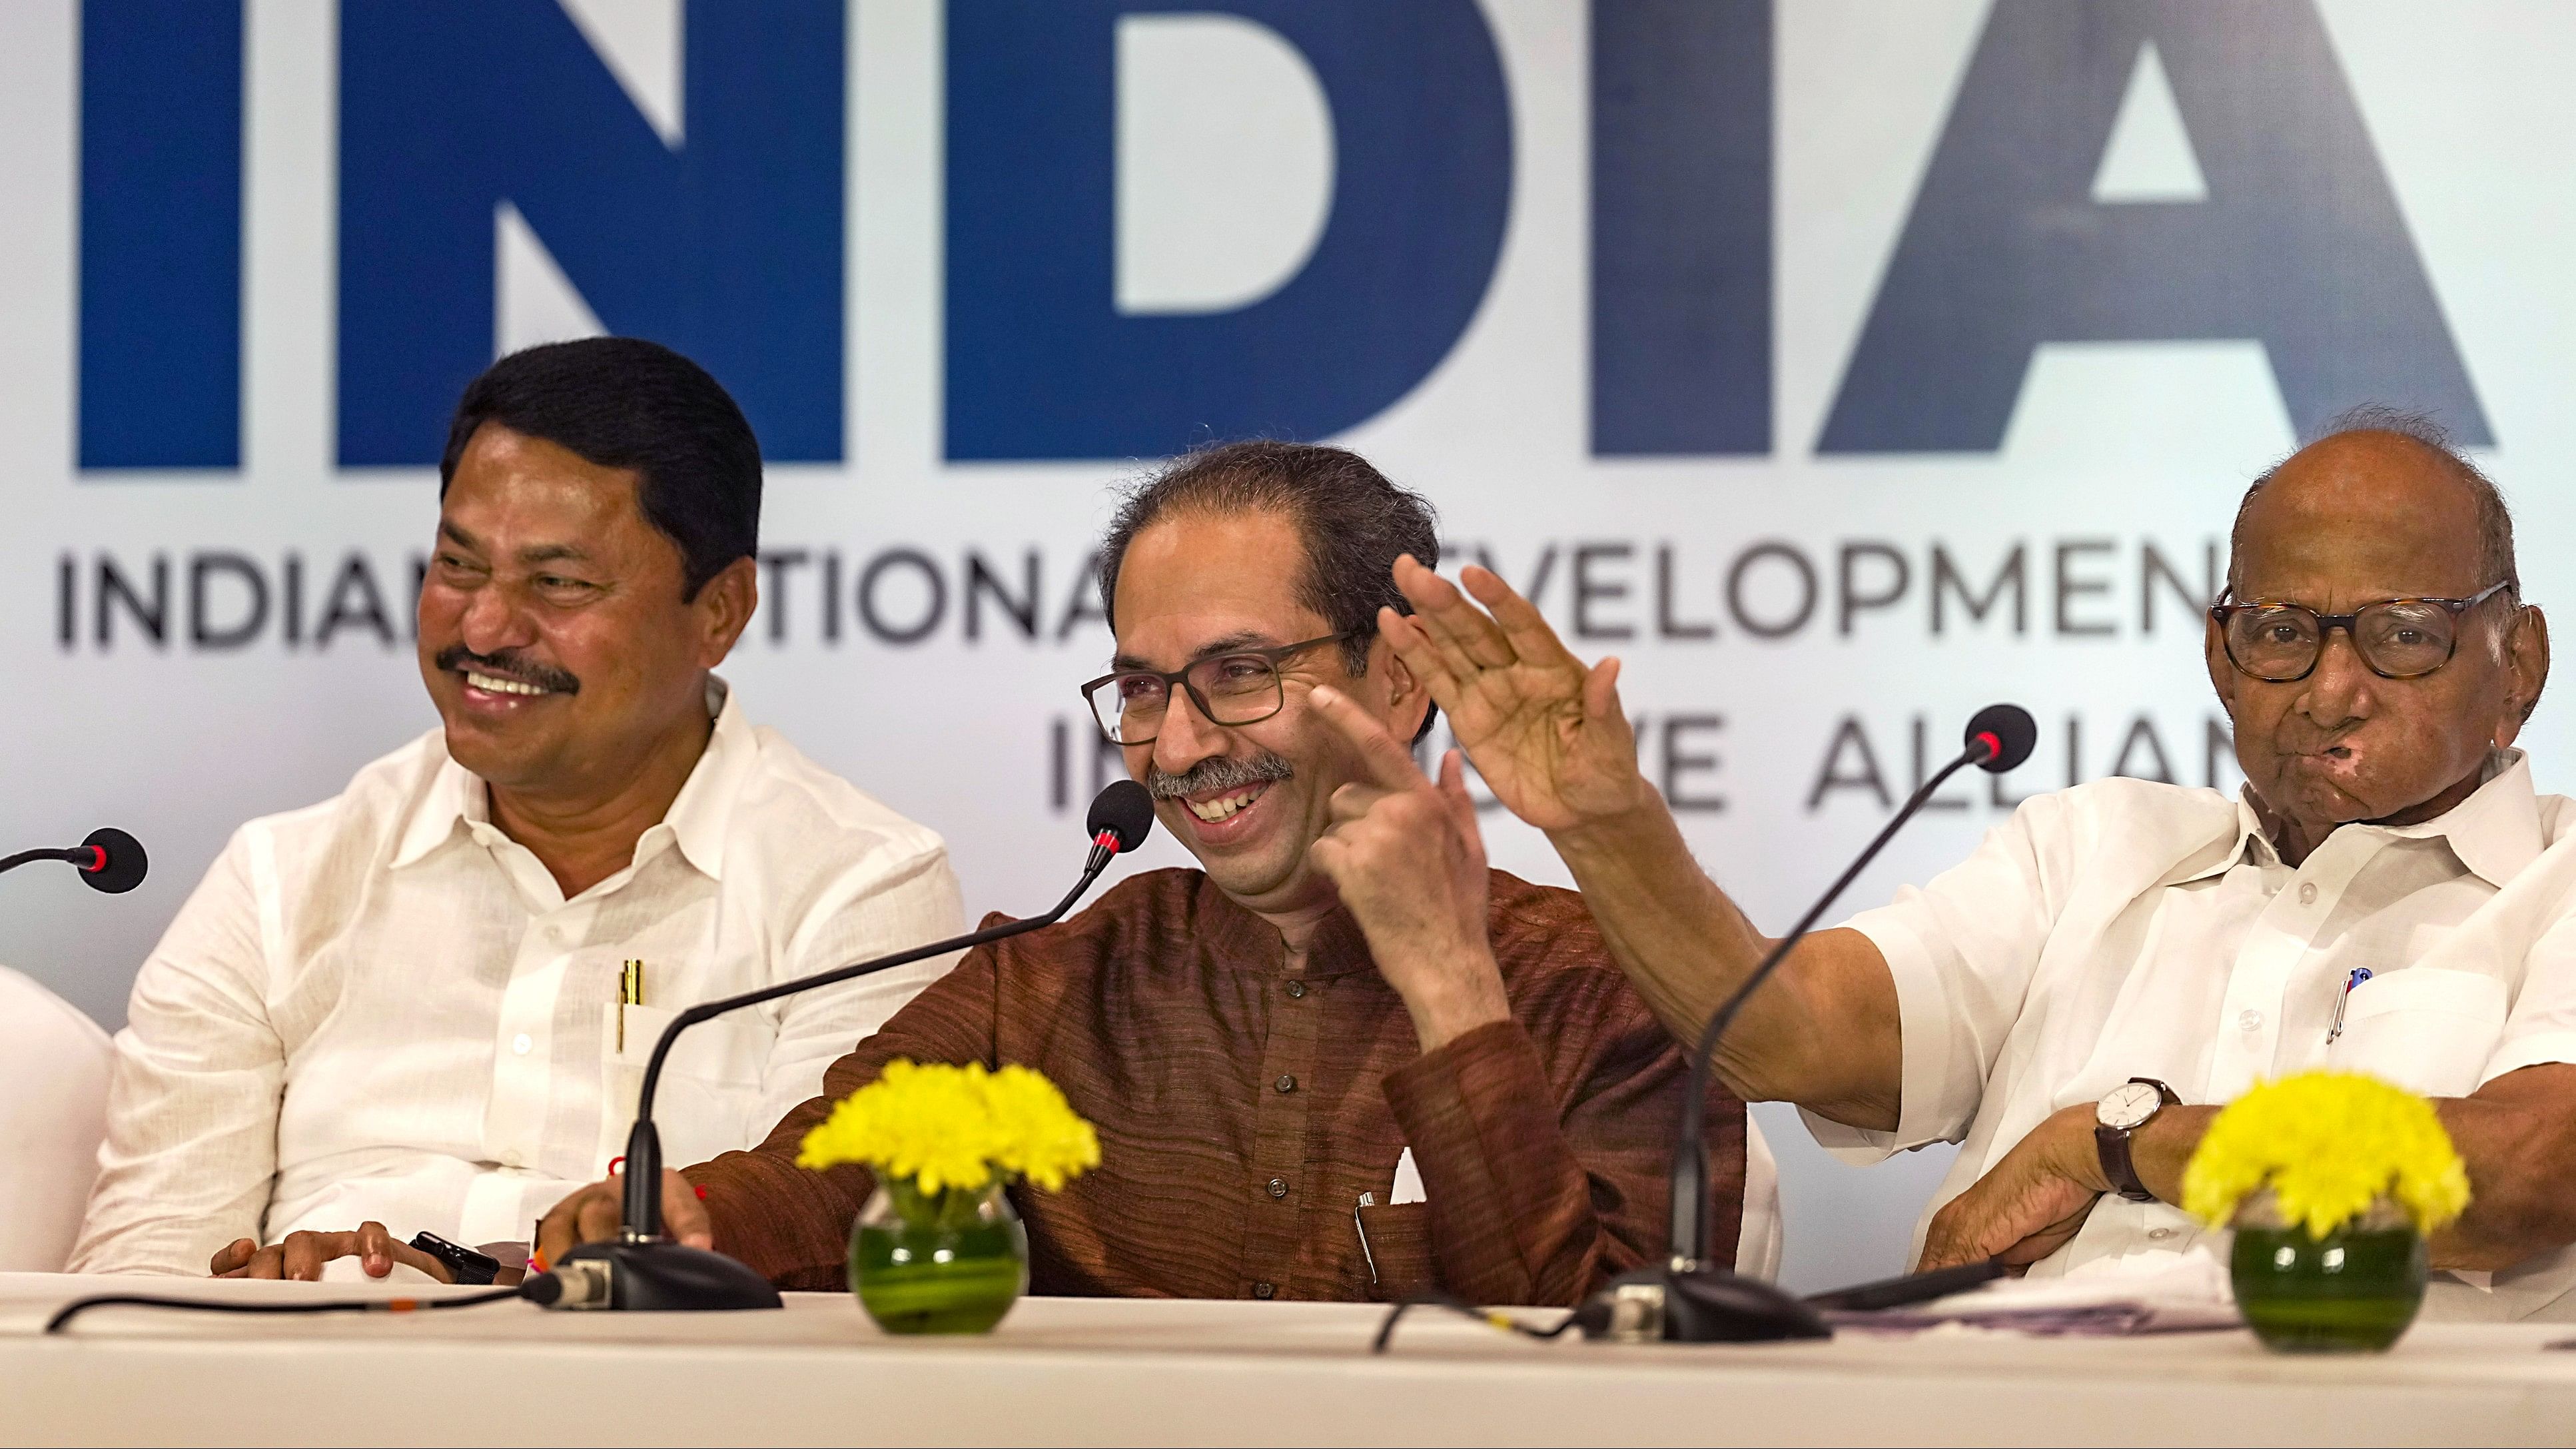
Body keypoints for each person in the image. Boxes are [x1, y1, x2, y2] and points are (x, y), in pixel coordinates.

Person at [1382, 409, 2576, 1319]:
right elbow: (1780, 1033)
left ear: (2516, 663)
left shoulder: (2558, 887)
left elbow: (2524, 1171)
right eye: (2280, 634)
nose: (2331, 688)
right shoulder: (2092, 850)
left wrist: (2118, 1141)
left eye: (2403, 636)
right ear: (2222, 660)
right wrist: (1604, 821)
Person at [541, 440, 1764, 1304]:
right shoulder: (1060, 975)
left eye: (1240, 673)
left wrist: (1451, 987)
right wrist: (694, 1218)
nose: (1178, 746)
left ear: (1399, 679)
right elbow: (828, 1173)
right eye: (1140, 689)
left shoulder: (1611, 983)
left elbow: (1612, 1365)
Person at [71, 338, 964, 1282]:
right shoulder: (281, 883)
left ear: (722, 611)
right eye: (459, 566)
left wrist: (486, 1284)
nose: (486, 628)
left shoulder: (859, 895)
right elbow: (135, 1284)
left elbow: (823, 1256)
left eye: (559, 584)